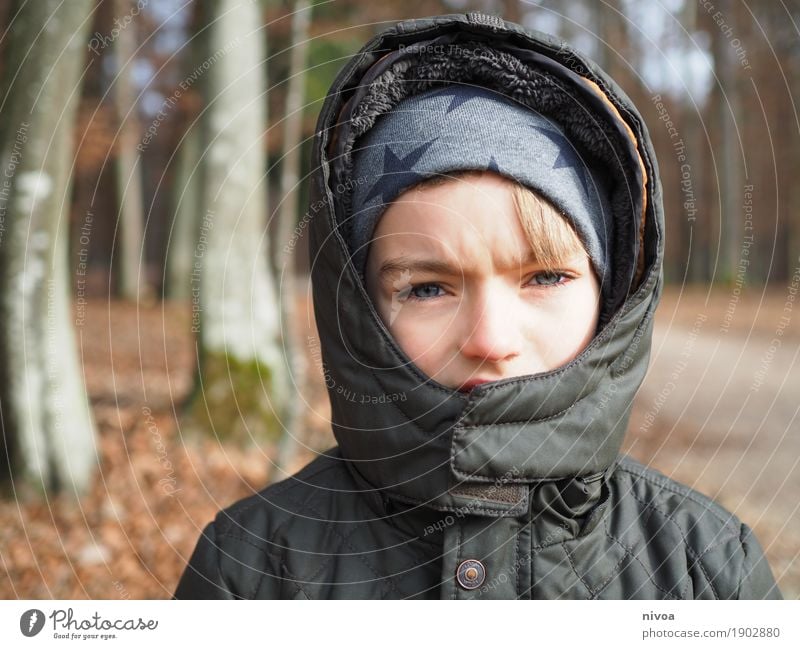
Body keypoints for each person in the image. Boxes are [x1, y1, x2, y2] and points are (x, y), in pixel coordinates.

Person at [174, 12, 782, 599]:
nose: (491, 339)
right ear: (360, 310)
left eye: (544, 277)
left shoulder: (706, 569)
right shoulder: (253, 570)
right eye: (428, 288)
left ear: (613, 293)